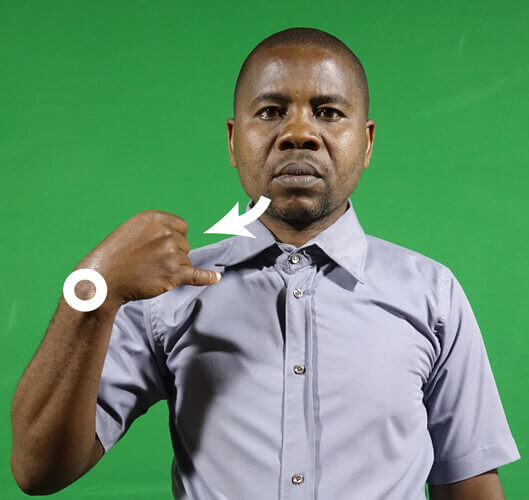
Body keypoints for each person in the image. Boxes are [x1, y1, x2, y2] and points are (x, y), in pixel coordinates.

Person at [11, 27, 521, 499]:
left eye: (328, 112)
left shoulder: (432, 294)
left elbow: (470, 485)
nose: (299, 133)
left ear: (366, 143)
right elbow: (37, 470)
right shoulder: (167, 294)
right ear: (234, 141)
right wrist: (95, 285)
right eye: (272, 111)